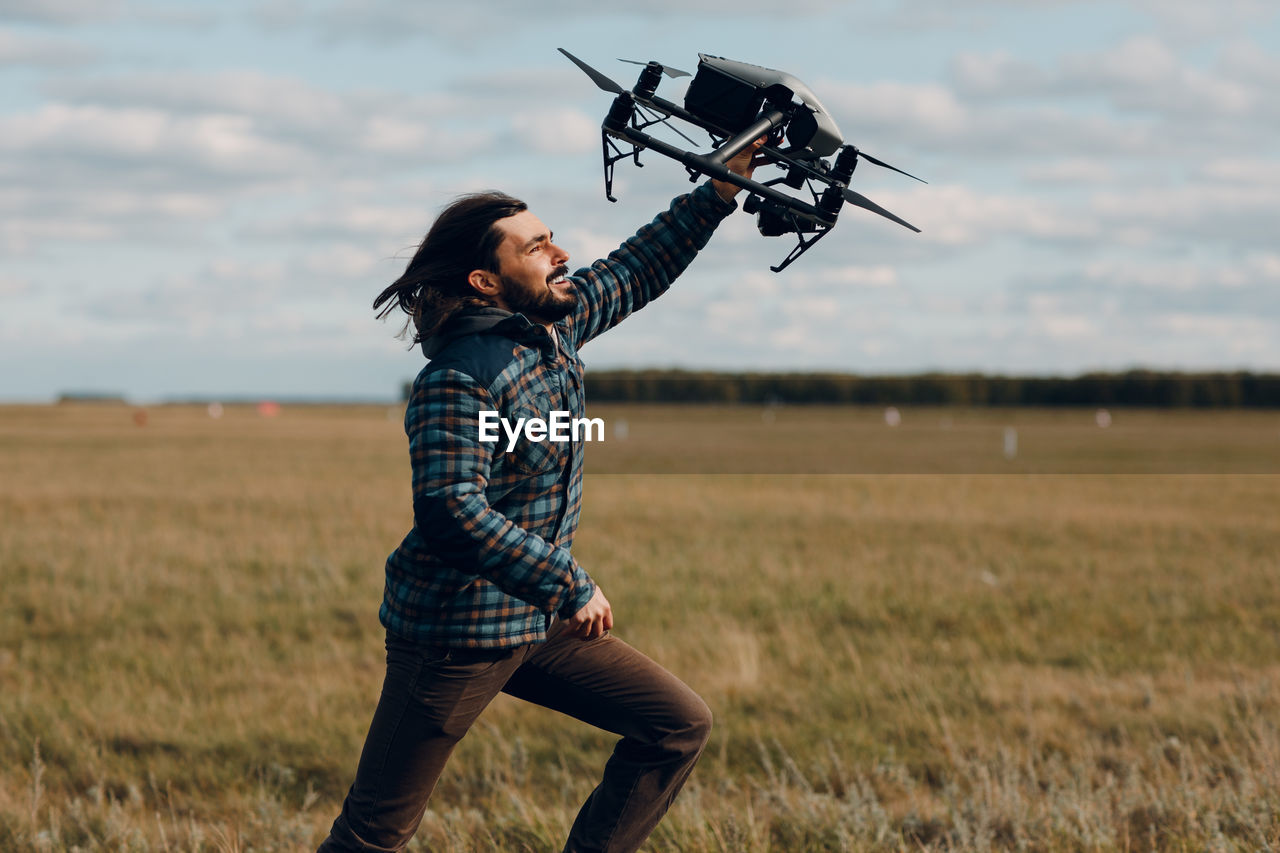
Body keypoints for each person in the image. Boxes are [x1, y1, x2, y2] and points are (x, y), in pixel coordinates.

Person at [317, 141, 763, 853]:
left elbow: (634, 269)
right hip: (452, 636)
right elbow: (451, 509)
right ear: (486, 281)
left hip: (533, 620)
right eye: (537, 247)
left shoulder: (554, 330)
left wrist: (718, 191)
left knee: (675, 723)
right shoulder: (459, 380)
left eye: (552, 240)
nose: (560, 254)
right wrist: (566, 580)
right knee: (376, 831)